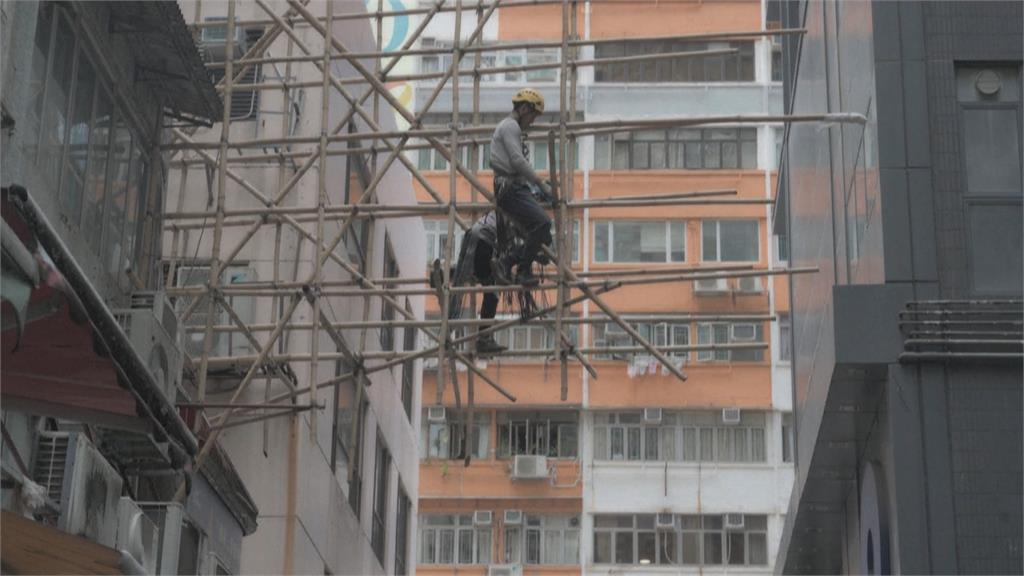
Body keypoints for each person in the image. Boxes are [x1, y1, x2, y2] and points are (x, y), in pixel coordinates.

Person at [489, 88, 554, 286]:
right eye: (533, 115)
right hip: (510, 189)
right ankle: (517, 267)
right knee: (542, 223)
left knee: (544, 236)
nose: (532, 121)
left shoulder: (510, 128)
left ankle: (510, 263)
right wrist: (540, 183)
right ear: (525, 109)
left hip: (515, 187)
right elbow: (517, 161)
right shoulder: (510, 127)